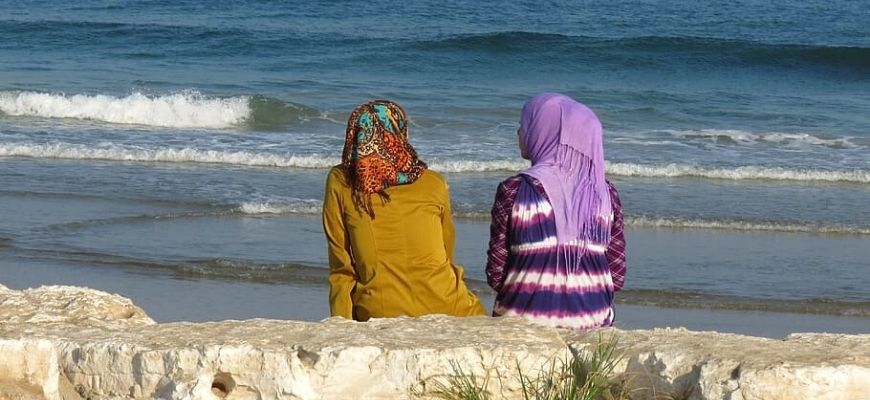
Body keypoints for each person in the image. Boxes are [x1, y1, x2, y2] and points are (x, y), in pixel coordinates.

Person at [323, 99, 486, 321]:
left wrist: (341, 325)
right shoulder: (434, 182)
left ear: (355, 136)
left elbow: (341, 268)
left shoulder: (341, 181)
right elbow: (447, 254)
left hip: (381, 312)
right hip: (452, 307)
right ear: (400, 134)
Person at [485, 93, 626, 330]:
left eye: (525, 125)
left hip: (521, 324)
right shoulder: (606, 194)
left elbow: (496, 273)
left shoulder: (513, 190)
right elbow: (617, 276)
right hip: (592, 323)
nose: (519, 132)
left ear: (545, 132)